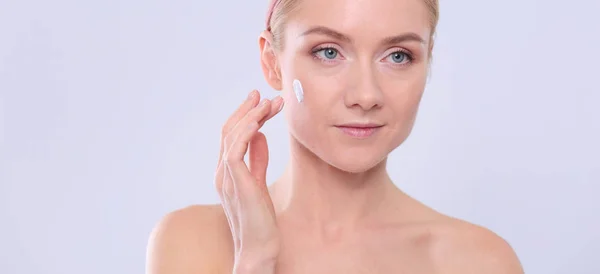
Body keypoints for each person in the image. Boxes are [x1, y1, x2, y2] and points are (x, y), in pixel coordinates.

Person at [146, 0, 524, 273]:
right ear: (272, 62)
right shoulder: (191, 243)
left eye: (397, 56)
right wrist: (256, 260)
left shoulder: (479, 261)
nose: (366, 95)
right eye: (328, 52)